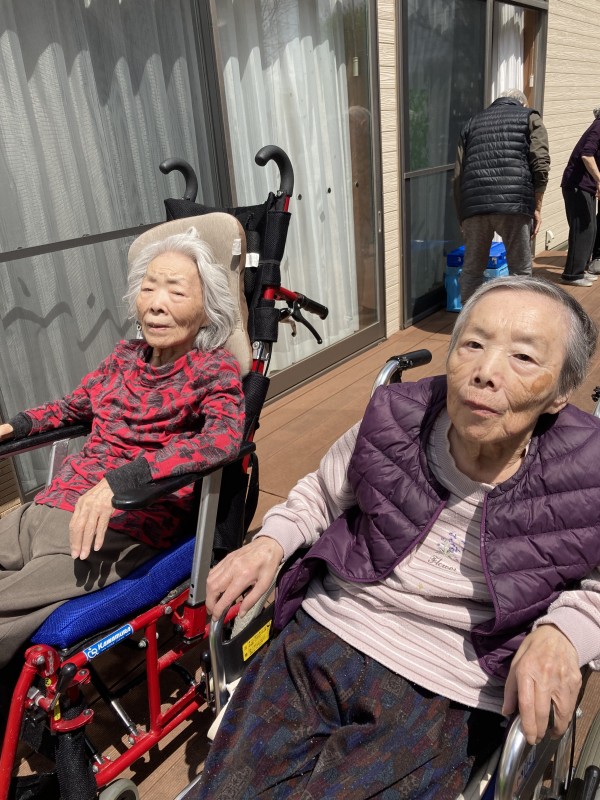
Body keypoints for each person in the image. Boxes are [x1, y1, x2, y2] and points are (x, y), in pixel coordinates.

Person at [197, 275, 600, 800]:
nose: (485, 372)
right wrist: (269, 544)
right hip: (327, 630)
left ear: (560, 393)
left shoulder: (586, 470)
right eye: (472, 345)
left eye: (523, 357)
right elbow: (323, 494)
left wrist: (563, 633)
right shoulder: (394, 417)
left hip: (450, 682)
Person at [0, 226, 245, 725]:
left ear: (207, 308)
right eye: (148, 287)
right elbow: (71, 408)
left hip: (115, 530)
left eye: (175, 291)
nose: (156, 304)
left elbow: (222, 440)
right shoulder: (122, 358)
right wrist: (16, 426)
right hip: (47, 509)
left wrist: (121, 481)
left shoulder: (213, 370)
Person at [454, 89, 550, 302]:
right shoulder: (529, 117)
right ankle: (518, 315)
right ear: (522, 104)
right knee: (520, 270)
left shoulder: (471, 122)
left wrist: (462, 215)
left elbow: (458, 175)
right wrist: (537, 207)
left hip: (475, 204)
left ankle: (469, 318)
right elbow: (540, 164)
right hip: (514, 204)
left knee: (472, 270)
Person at [561, 106, 600, 285]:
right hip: (576, 185)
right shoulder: (599, 126)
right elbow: (587, 155)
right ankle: (572, 275)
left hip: (586, 186)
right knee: (582, 229)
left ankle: (581, 270)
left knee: (590, 228)